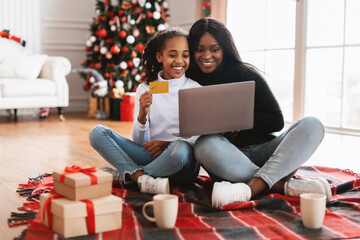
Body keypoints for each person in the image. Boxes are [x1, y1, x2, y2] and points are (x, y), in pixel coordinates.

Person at [186, 18, 331, 208]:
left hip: (266, 151)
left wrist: (235, 121)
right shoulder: (188, 81)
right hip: (228, 159)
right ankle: (279, 185)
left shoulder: (245, 73)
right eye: (199, 49)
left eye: (214, 49)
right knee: (204, 145)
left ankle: (251, 188)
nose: (207, 56)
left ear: (224, 49)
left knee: (312, 124)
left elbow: (276, 120)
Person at [89, 27, 201, 195]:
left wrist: (167, 144)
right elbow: (141, 141)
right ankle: (141, 179)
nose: (179, 61)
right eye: (172, 55)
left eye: (185, 55)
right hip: (150, 156)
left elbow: (198, 138)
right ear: (159, 57)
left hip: (182, 162)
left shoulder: (195, 88)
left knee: (180, 150)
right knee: (97, 133)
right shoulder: (146, 88)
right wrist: (142, 114)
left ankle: (129, 175)